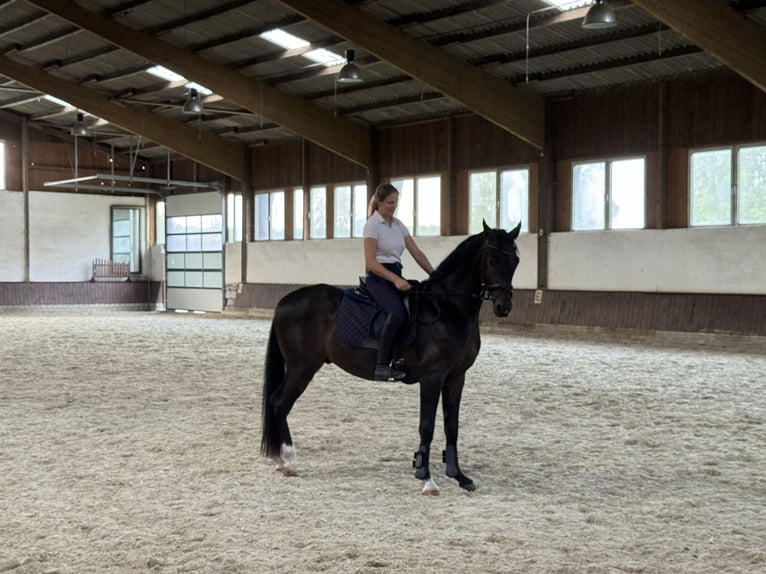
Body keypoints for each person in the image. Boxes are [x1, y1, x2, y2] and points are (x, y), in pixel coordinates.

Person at [363, 183, 434, 381]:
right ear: (379, 202)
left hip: (396, 274)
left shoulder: (398, 225)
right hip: (378, 278)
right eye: (389, 202)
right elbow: (370, 262)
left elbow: (417, 253)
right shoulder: (372, 225)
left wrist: (435, 275)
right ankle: (382, 365)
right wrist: (395, 279)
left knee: (417, 307)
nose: (393, 206)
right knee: (397, 313)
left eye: (396, 202)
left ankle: (403, 357)